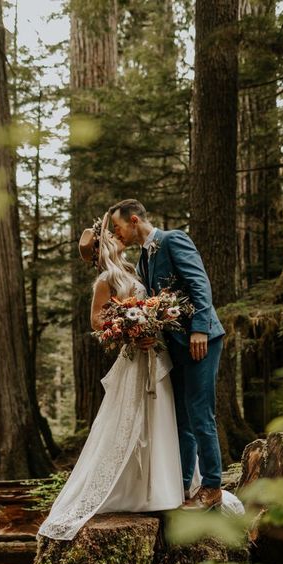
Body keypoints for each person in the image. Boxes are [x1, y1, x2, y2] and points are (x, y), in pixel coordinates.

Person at [37, 213, 184, 541]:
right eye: (113, 238)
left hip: (154, 354)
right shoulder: (105, 279)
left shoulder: (134, 270)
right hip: (135, 357)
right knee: (130, 419)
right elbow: (96, 320)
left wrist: (152, 325)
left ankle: (162, 488)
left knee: (159, 415)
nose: (119, 239)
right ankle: (131, 490)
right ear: (105, 249)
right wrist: (130, 332)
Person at [109, 199, 226, 511]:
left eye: (118, 227)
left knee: (200, 411)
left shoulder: (173, 239)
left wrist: (200, 328)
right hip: (175, 345)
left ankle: (213, 487)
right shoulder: (145, 260)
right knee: (182, 418)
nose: (117, 234)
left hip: (201, 339)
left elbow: (199, 283)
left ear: (134, 220)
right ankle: (182, 487)